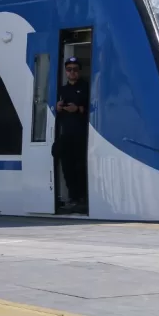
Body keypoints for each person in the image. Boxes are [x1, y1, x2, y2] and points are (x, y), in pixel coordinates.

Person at [55, 57, 89, 210]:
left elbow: (91, 108)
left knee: (80, 167)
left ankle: (82, 197)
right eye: (69, 69)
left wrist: (78, 109)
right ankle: (72, 196)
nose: (72, 72)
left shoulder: (87, 87)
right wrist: (58, 107)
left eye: (75, 69)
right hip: (66, 133)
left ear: (79, 71)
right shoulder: (62, 90)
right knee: (67, 168)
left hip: (82, 135)